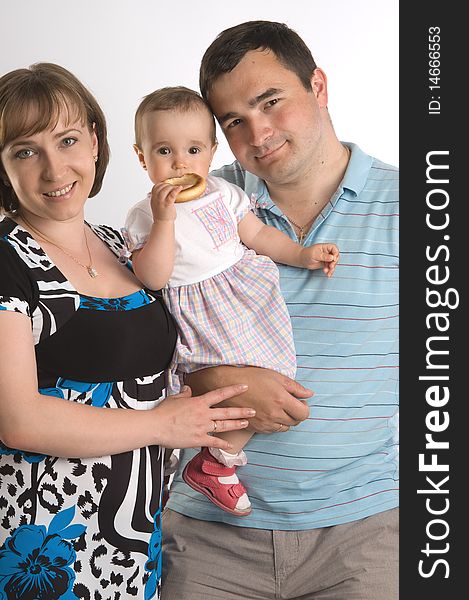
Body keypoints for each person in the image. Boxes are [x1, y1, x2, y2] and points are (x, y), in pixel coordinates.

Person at [0, 63, 257, 600]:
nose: (54, 169)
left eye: (68, 140)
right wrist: (162, 425)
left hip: (133, 541)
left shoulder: (123, 245)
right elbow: (18, 420)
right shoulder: (7, 259)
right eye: (25, 151)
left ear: (95, 141)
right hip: (42, 543)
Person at [162, 20, 399, 600]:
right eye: (234, 121)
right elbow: (130, 357)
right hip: (207, 538)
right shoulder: (196, 207)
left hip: (367, 536)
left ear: (317, 85)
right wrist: (217, 383)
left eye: (271, 102)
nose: (258, 132)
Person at [123, 86, 339, 517]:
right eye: (164, 151)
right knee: (229, 388)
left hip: (242, 298)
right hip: (198, 310)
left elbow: (257, 235)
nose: (180, 163)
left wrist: (302, 254)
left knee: (276, 375)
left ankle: (211, 464)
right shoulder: (145, 214)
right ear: (142, 157)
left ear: (211, 152)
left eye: (193, 149)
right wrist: (164, 220)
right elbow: (152, 275)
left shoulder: (223, 193)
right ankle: (215, 464)